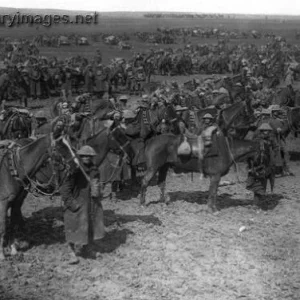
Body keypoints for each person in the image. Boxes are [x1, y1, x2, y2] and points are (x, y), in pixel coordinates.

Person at [59, 145, 105, 264]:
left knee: (90, 225)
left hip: (90, 202)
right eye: (83, 156)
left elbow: (97, 183)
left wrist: (98, 190)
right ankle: (71, 252)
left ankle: (87, 248)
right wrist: (71, 203)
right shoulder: (73, 169)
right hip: (76, 200)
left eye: (88, 156)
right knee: (73, 226)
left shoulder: (94, 169)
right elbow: (65, 188)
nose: (86, 158)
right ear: (79, 156)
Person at [246, 123, 278, 206]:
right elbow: (251, 150)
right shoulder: (256, 139)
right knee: (254, 181)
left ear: (269, 131)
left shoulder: (272, 139)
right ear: (261, 131)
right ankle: (256, 201)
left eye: (267, 130)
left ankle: (256, 202)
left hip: (267, 164)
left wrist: (271, 155)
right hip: (256, 164)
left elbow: (276, 148)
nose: (265, 132)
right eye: (263, 130)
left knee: (262, 182)